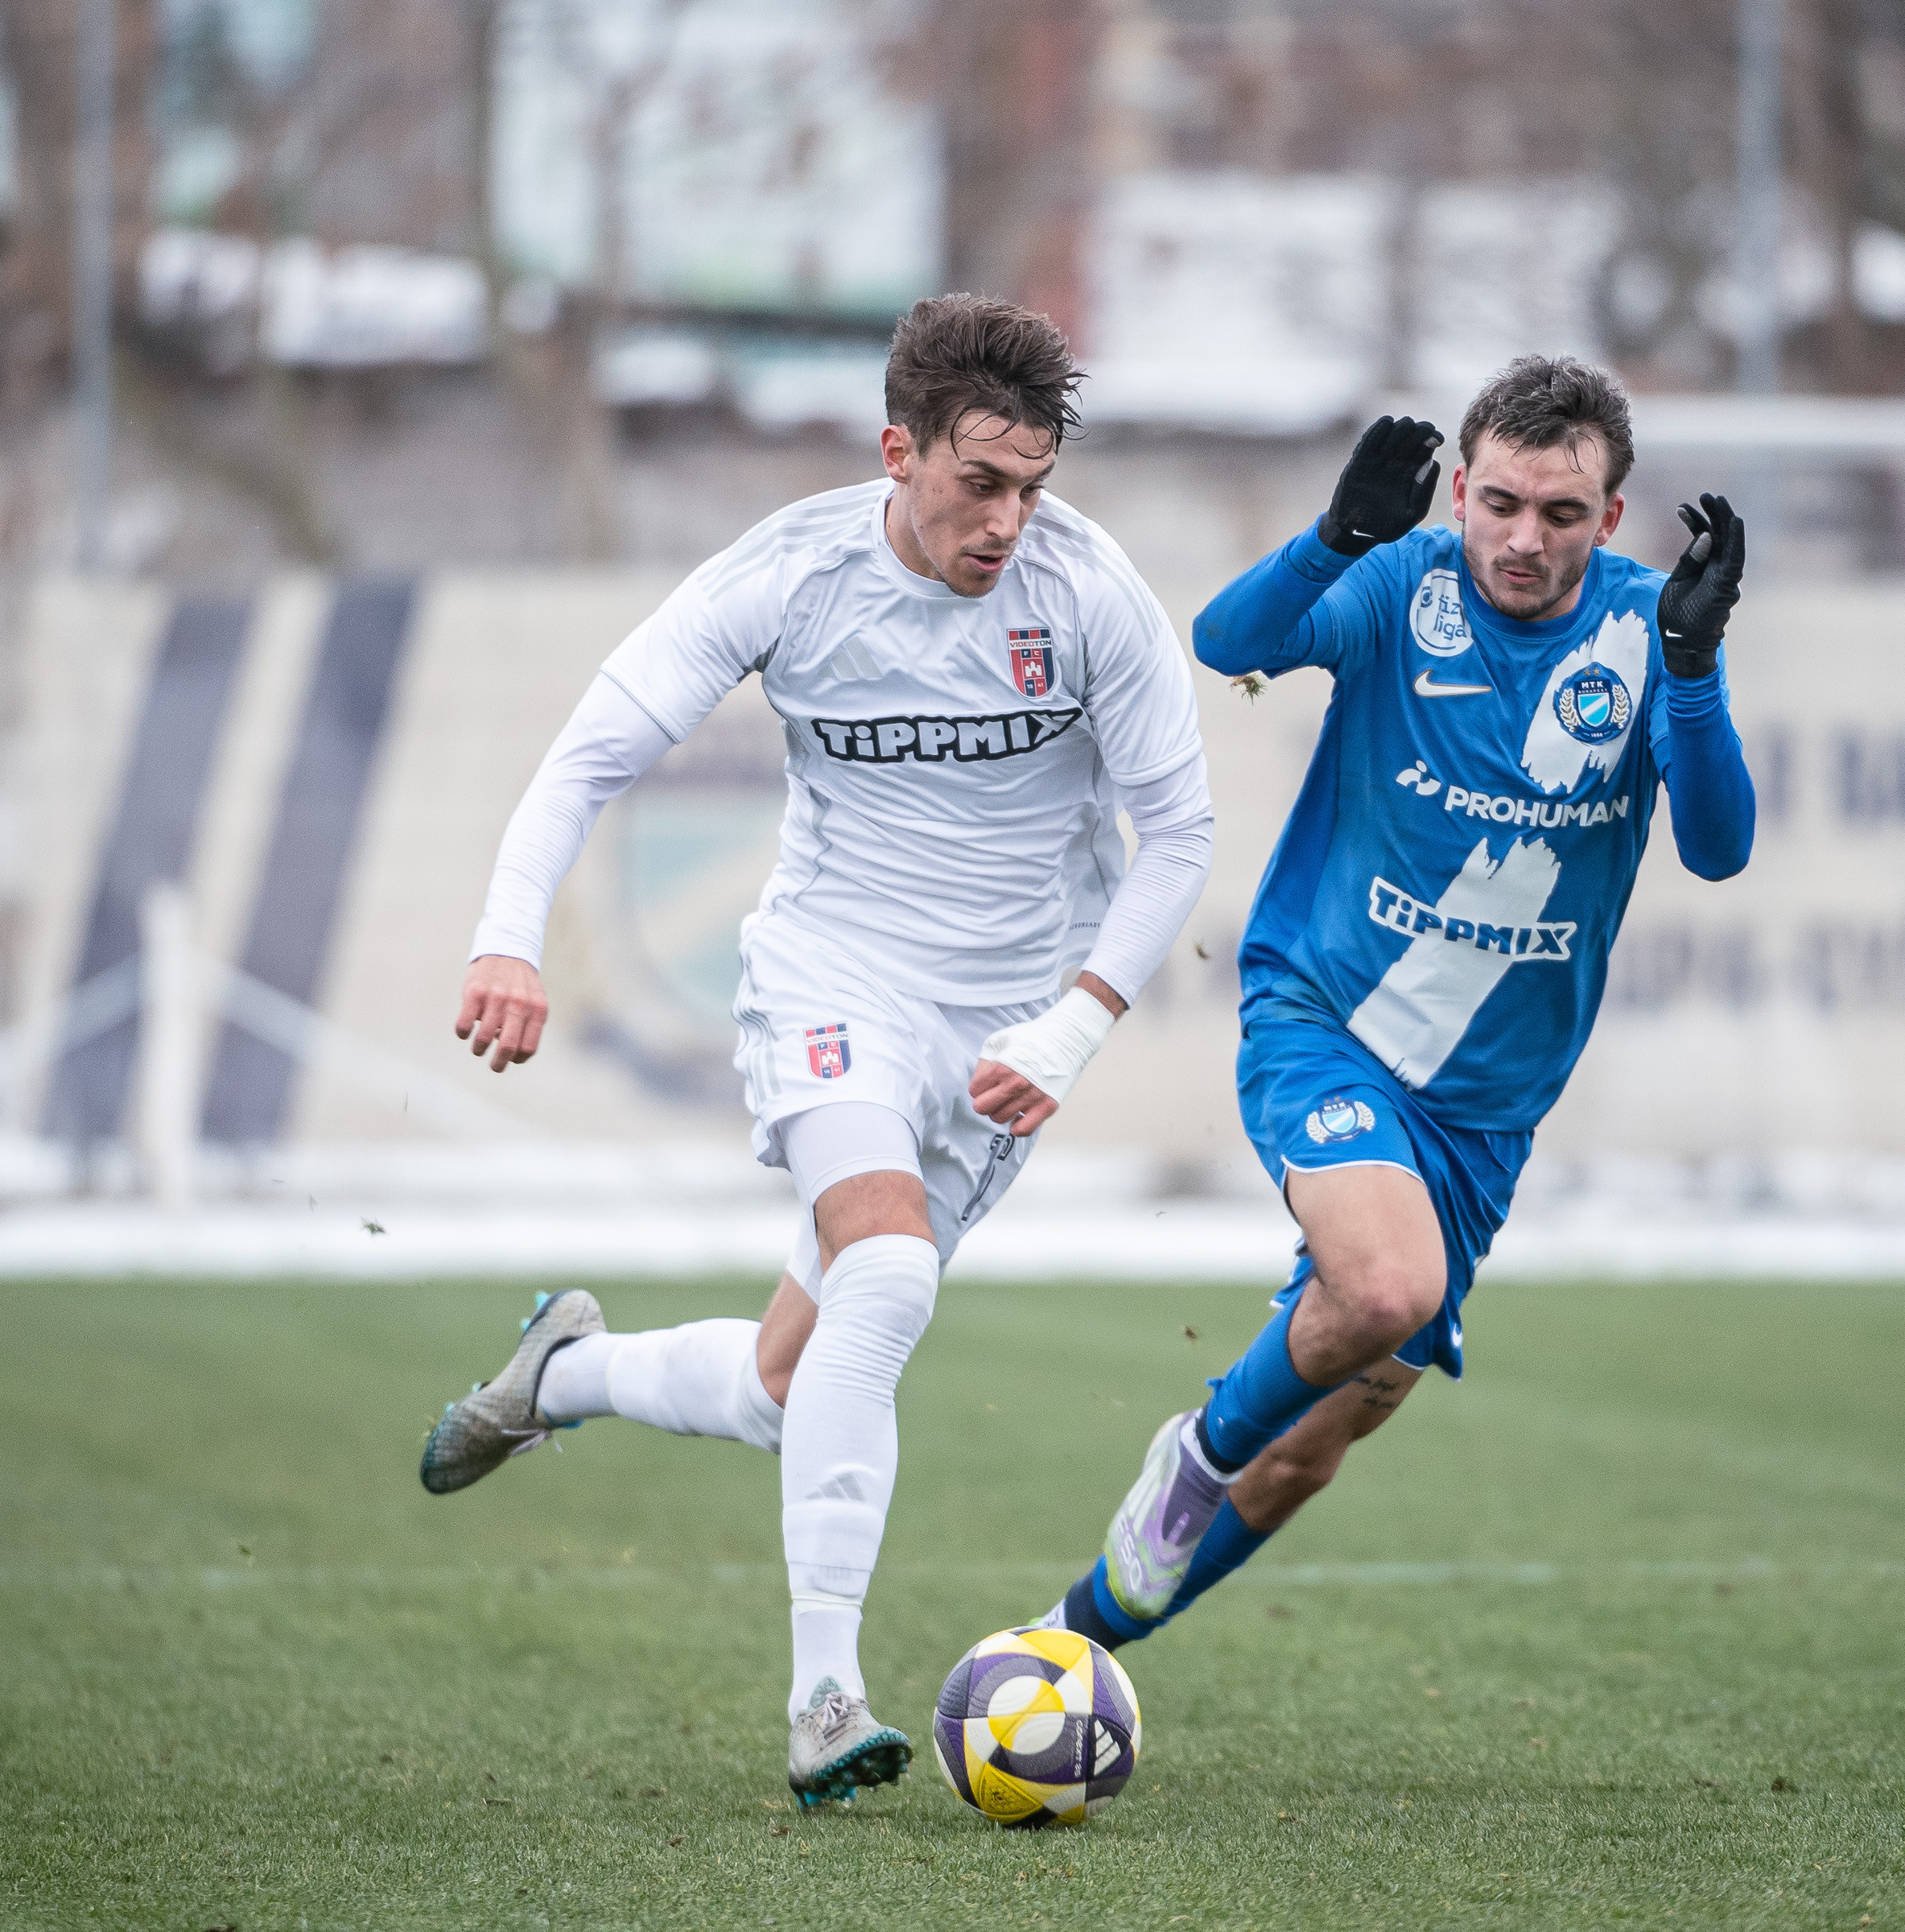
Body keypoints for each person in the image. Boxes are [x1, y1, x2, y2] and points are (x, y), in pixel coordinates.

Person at [421, 295, 1213, 1806]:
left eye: (1034, 486)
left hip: (1011, 1032)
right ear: (898, 452)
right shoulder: (792, 574)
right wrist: (507, 936)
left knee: (786, 1387)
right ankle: (823, 1700)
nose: (1009, 520)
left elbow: (1178, 833)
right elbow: (590, 755)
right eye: (981, 482)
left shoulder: (1091, 594)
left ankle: (563, 1373)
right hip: (835, 975)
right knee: (889, 1275)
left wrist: (1075, 1023)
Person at [1035, 355, 1753, 1653]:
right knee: (1382, 1290)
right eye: (1501, 504)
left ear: (1610, 518)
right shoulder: (1397, 582)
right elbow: (1228, 643)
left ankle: (1064, 1651)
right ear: (1460, 490)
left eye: (1563, 514)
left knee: (1307, 1455)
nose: (1524, 540)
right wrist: (1332, 538)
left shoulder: (1647, 633)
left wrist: (1694, 667)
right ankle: (1195, 1454)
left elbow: (1717, 848)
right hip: (1328, 1021)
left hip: (1485, 1116)